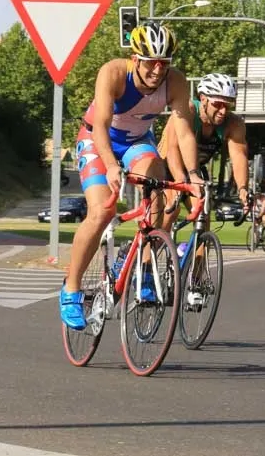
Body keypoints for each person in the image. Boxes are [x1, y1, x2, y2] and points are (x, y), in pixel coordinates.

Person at [61, 22, 204, 330]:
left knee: (158, 195)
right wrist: (111, 165)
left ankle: (143, 267)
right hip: (97, 141)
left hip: (137, 142)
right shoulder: (113, 73)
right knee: (102, 211)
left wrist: (193, 175)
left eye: (164, 63)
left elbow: (184, 133)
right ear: (135, 59)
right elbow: (101, 126)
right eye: (151, 62)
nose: (157, 69)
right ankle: (71, 289)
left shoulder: (176, 82)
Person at [158, 73, 251, 230]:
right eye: (218, 104)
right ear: (203, 99)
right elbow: (172, 149)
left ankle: (200, 246)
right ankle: (153, 243)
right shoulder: (186, 110)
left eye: (228, 106)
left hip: (194, 169)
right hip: (166, 164)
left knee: (203, 215)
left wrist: (243, 189)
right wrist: (180, 180)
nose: (223, 111)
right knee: (171, 210)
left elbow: (239, 156)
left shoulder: (234, 124)